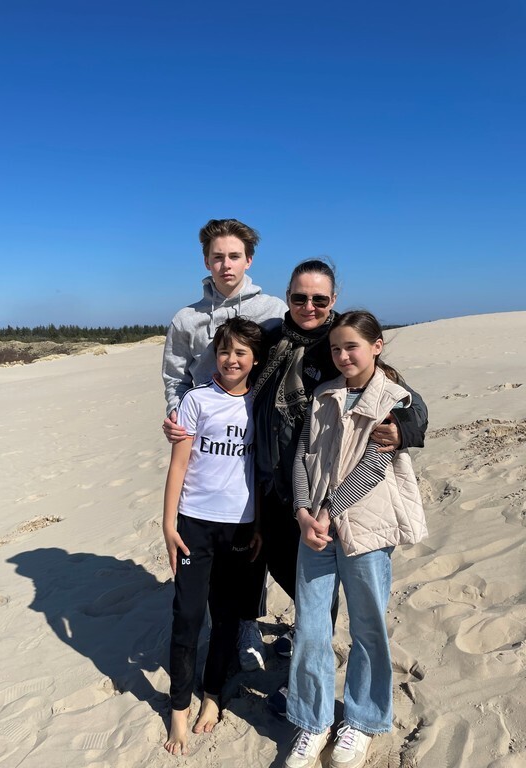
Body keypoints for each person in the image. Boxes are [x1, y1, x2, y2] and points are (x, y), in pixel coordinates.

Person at [252, 259, 427, 716]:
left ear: (333, 301)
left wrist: (404, 429)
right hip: (278, 482)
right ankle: (308, 658)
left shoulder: (341, 344)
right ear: (287, 297)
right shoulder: (271, 339)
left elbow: (405, 403)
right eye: (299, 297)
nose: (308, 306)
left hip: (326, 493)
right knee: (288, 574)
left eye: (319, 299)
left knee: (331, 598)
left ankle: (329, 695)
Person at [282, 310, 428, 768]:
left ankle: (363, 721)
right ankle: (313, 720)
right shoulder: (324, 394)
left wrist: (328, 511)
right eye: (336, 348)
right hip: (316, 532)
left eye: (353, 347)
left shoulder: (394, 399)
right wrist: (303, 513)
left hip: (366, 528)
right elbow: (304, 456)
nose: (343, 356)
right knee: (310, 627)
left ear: (377, 346)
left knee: (368, 628)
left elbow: (375, 464)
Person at [162, 218, 287, 672]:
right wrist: (177, 417)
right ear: (206, 261)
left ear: (248, 260)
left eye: (234, 255)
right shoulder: (186, 319)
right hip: (203, 436)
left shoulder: (274, 309)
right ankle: (212, 616)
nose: (225, 263)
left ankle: (247, 620)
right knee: (202, 520)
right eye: (217, 256)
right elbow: (175, 375)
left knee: (250, 526)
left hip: (259, 435)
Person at [163, 317, 264, 756]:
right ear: (214, 356)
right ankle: (178, 708)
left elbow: (260, 469)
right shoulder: (196, 401)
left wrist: (259, 524)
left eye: (241, 352)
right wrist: (168, 524)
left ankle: (212, 695)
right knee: (187, 615)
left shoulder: (259, 406)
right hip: (194, 522)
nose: (231, 360)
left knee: (225, 616)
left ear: (254, 359)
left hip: (240, 525)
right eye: (224, 352)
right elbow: (179, 465)